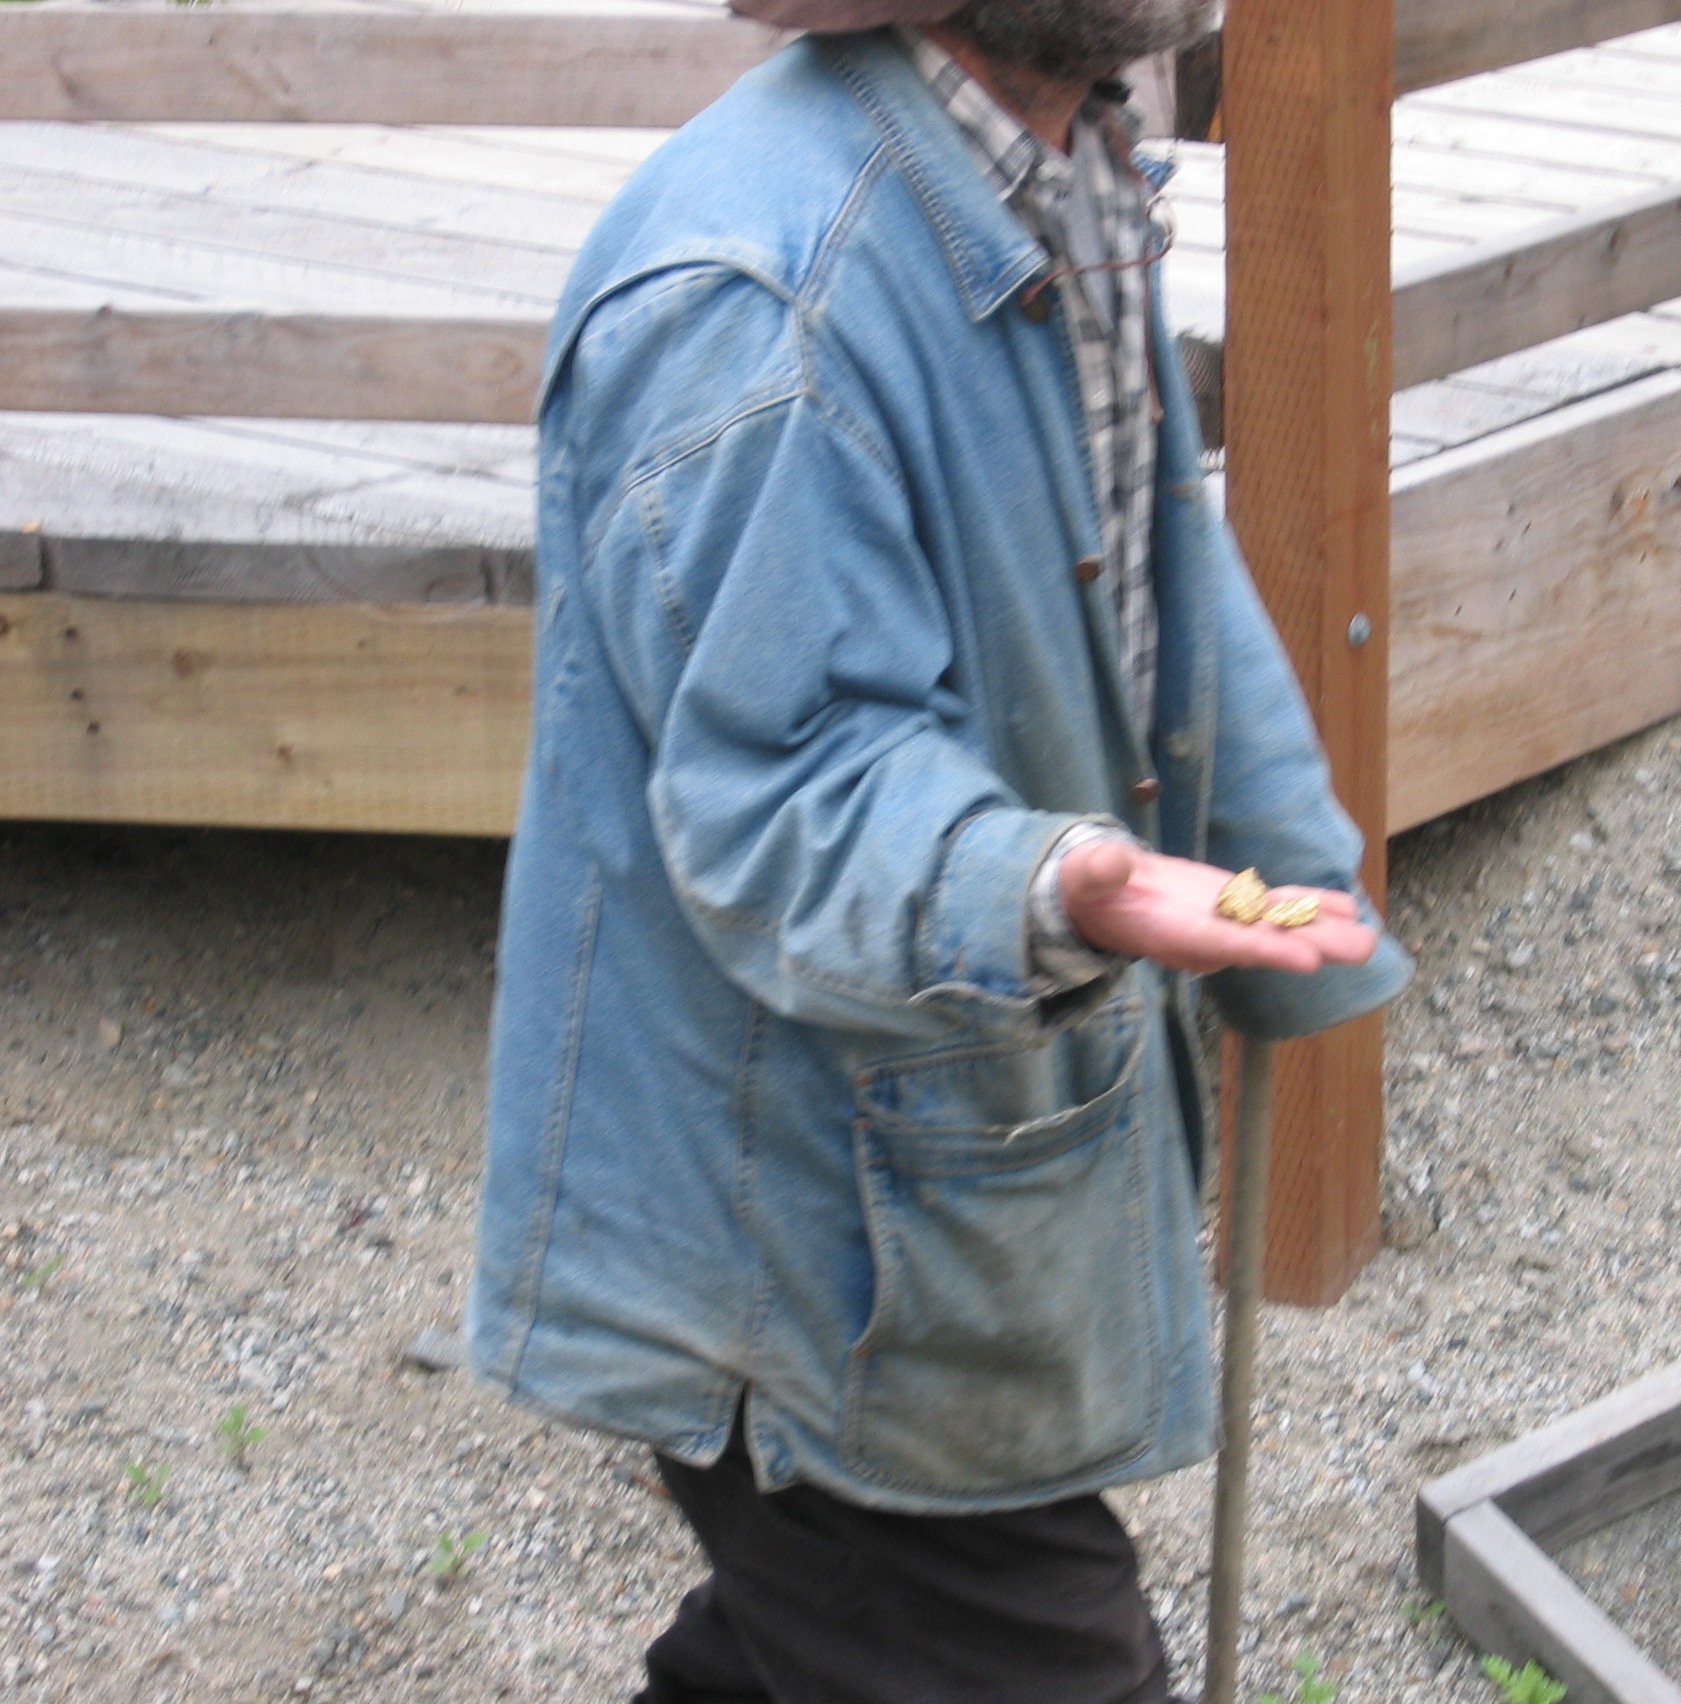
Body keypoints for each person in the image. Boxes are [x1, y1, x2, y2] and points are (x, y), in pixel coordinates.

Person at [468, 0, 1412, 1696]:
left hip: (938, 1165)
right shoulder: (758, 301)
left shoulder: (1060, 162)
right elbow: (794, 786)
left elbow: (1158, 561)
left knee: (820, 1657)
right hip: (813, 1256)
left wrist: (1281, 861)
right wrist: (1052, 883)